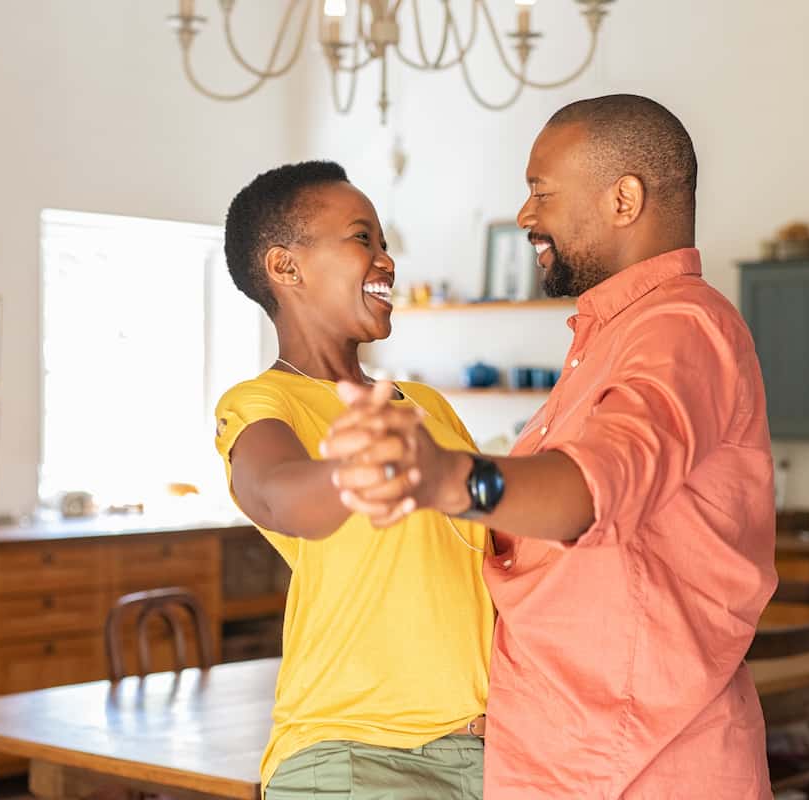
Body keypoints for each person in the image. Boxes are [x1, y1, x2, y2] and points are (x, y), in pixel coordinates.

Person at [323, 95, 779, 798]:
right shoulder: (609, 339)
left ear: (624, 198)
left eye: (541, 191)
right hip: (561, 749)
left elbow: (595, 486)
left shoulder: (683, 327)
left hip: (643, 767)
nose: (525, 216)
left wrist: (447, 479)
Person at [213, 160, 492, 799]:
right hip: (353, 756)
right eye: (363, 238)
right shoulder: (260, 403)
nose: (386, 260)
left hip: (484, 749)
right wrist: (366, 467)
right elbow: (280, 493)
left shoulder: (425, 405)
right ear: (287, 267)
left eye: (386, 242)